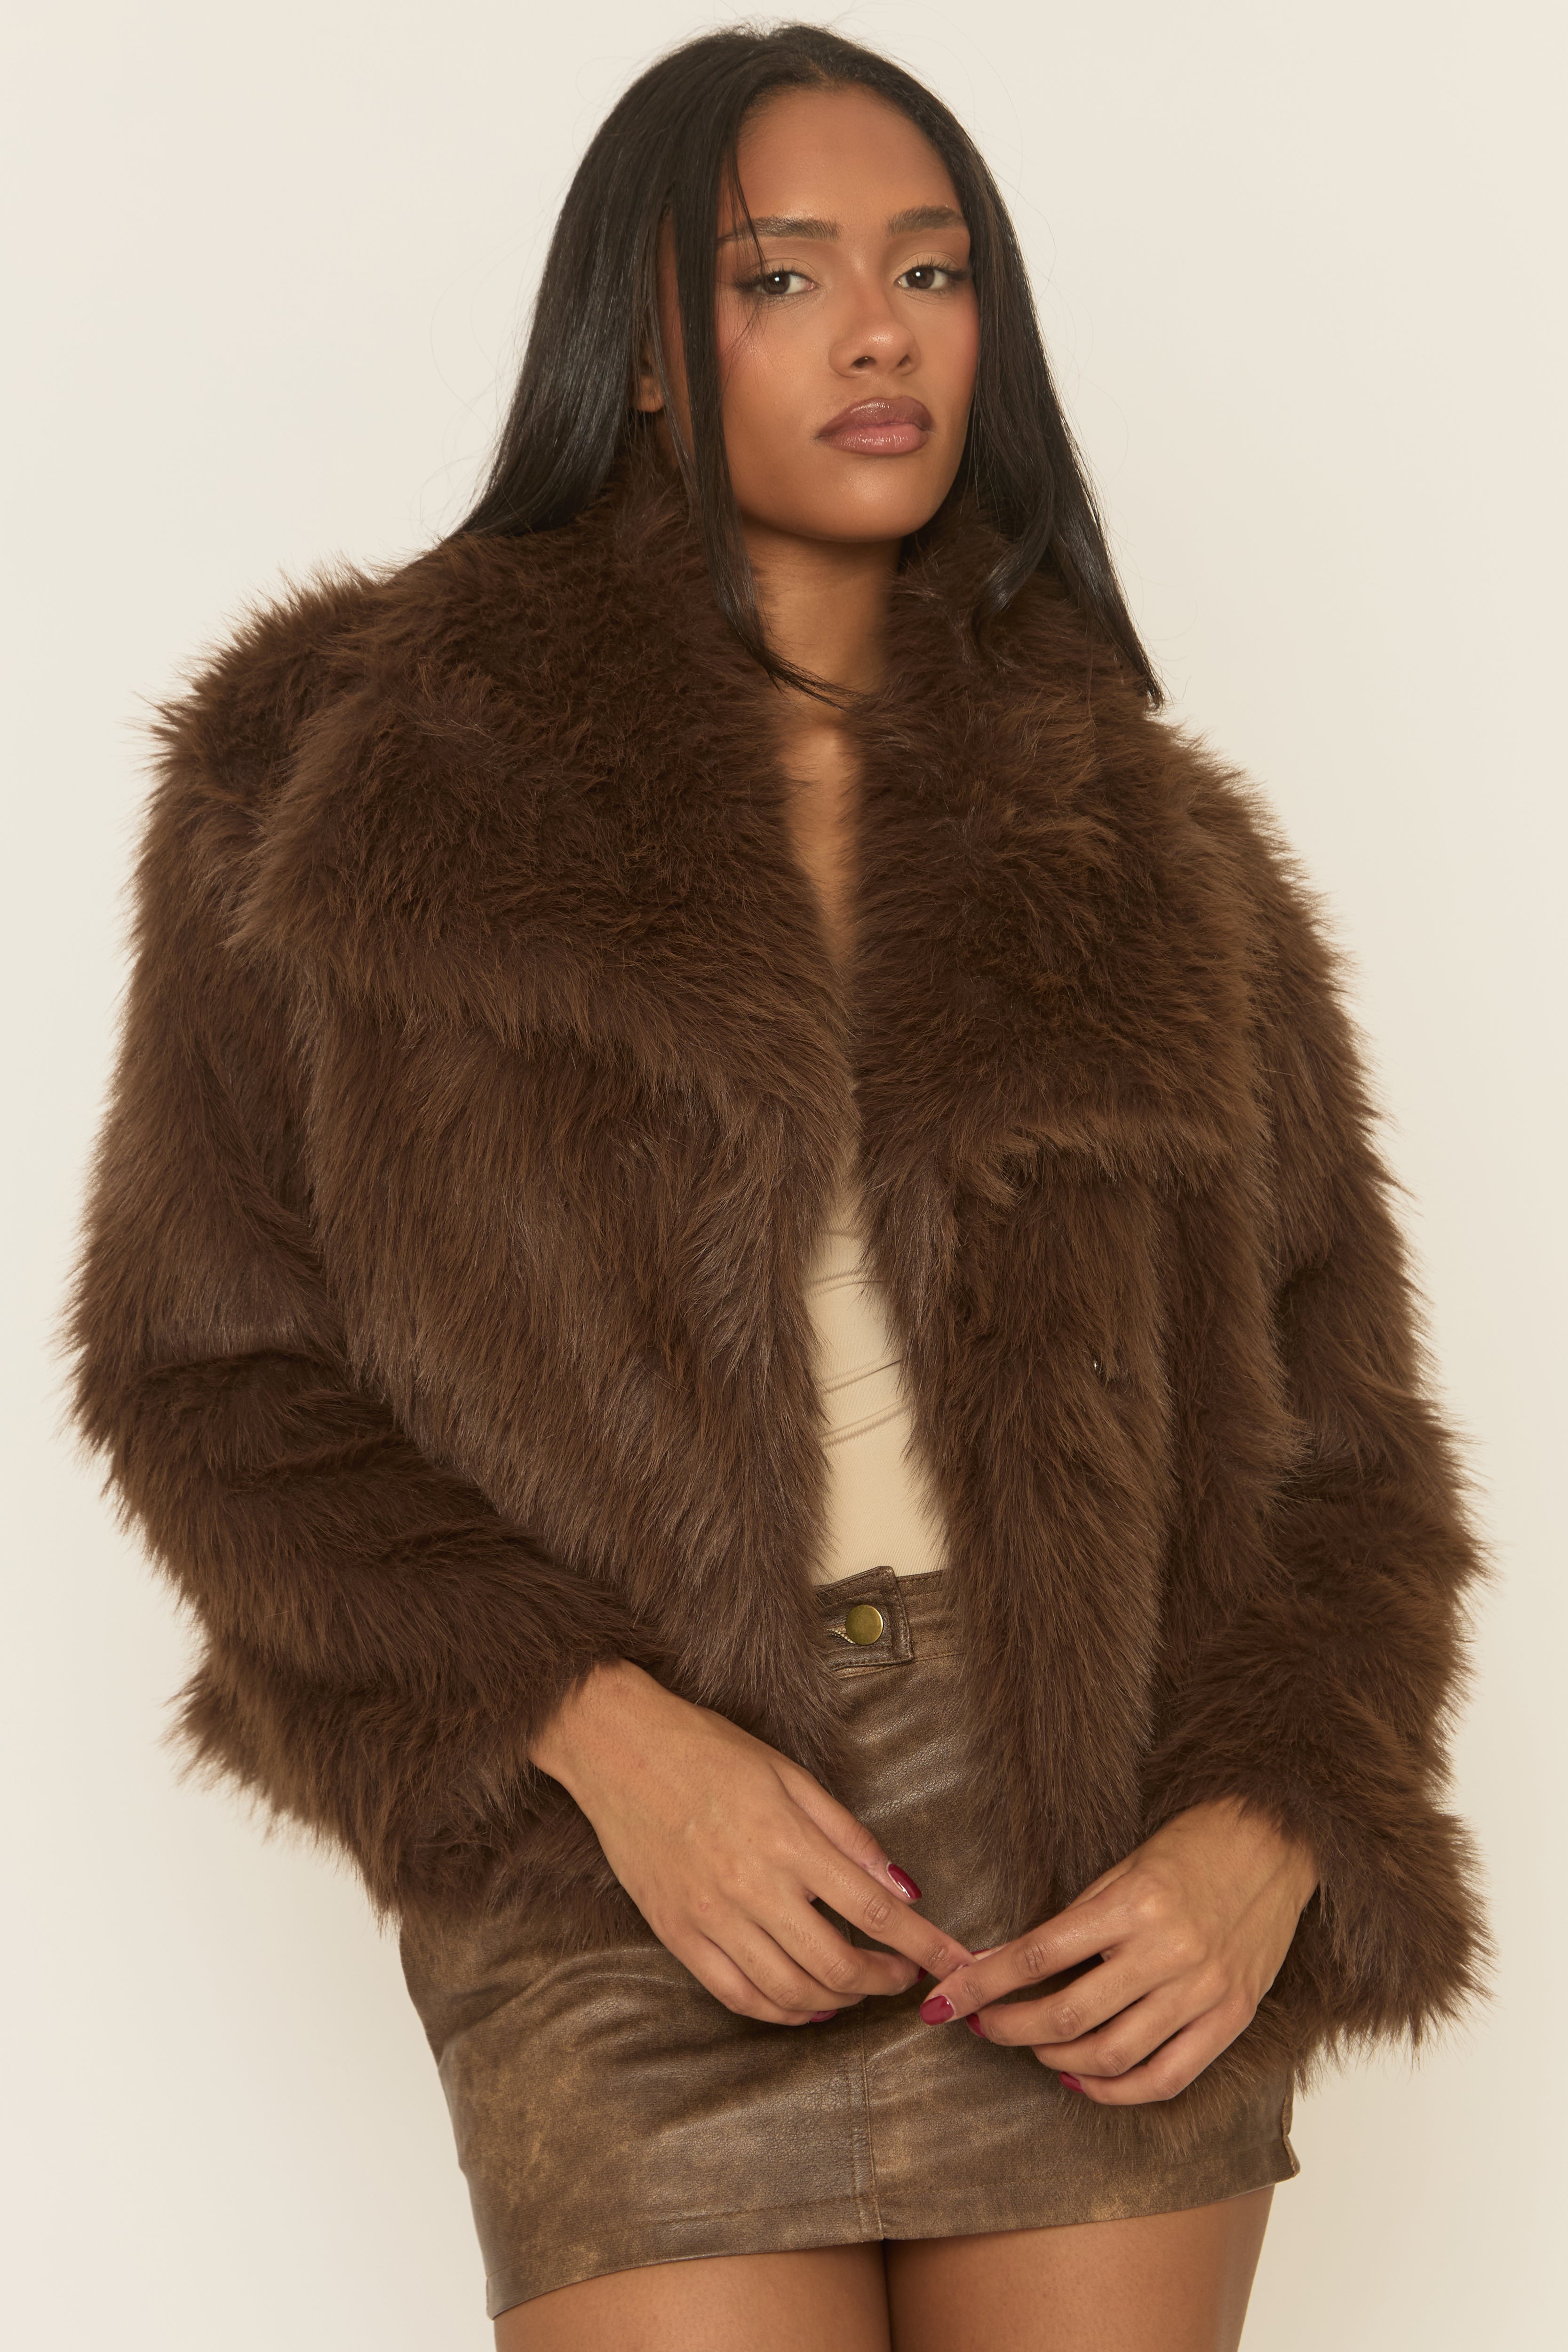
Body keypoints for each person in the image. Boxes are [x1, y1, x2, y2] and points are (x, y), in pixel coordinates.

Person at [67, 23, 1487, 2352]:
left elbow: (1349, 1453)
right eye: (781, 275)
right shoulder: (343, 776)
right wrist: (607, 1734)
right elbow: (206, 1379)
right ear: (639, 345)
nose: (878, 331)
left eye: (932, 269)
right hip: (619, 1860)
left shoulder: (1145, 842)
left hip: (1090, 1842)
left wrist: (1272, 1829)